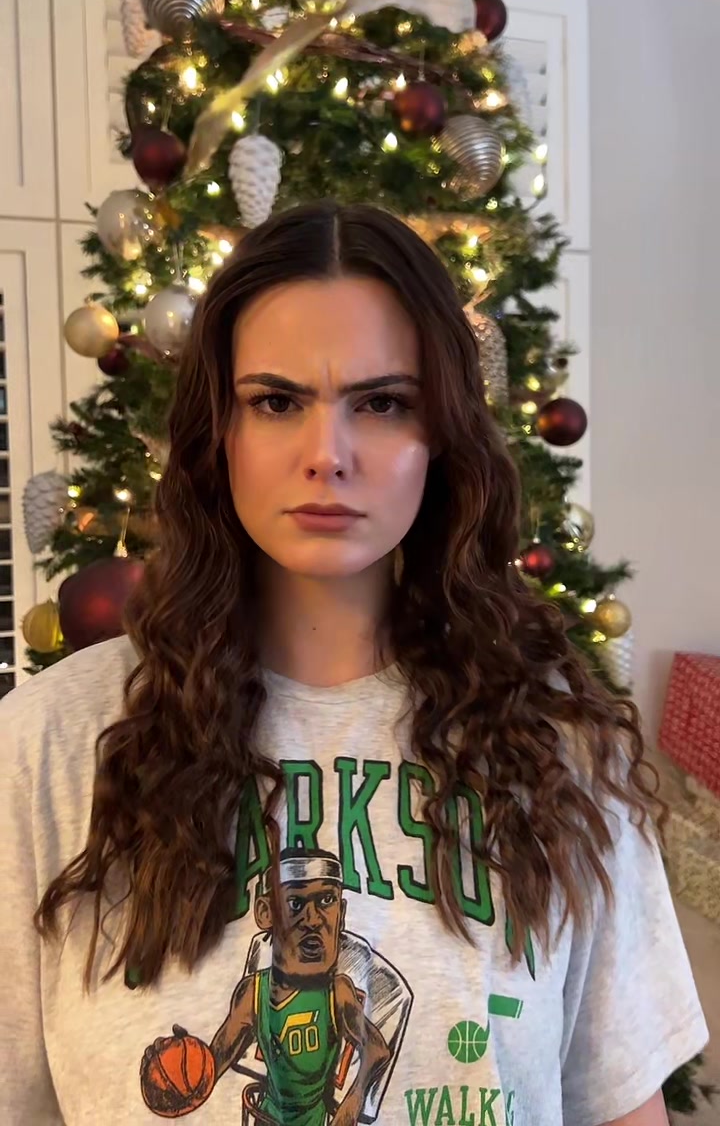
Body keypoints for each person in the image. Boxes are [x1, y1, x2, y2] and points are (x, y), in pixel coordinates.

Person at [0, 201, 707, 1126]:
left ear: (440, 435)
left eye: (382, 403)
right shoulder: (48, 749)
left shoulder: (558, 747)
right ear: (220, 432)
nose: (326, 454)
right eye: (276, 401)